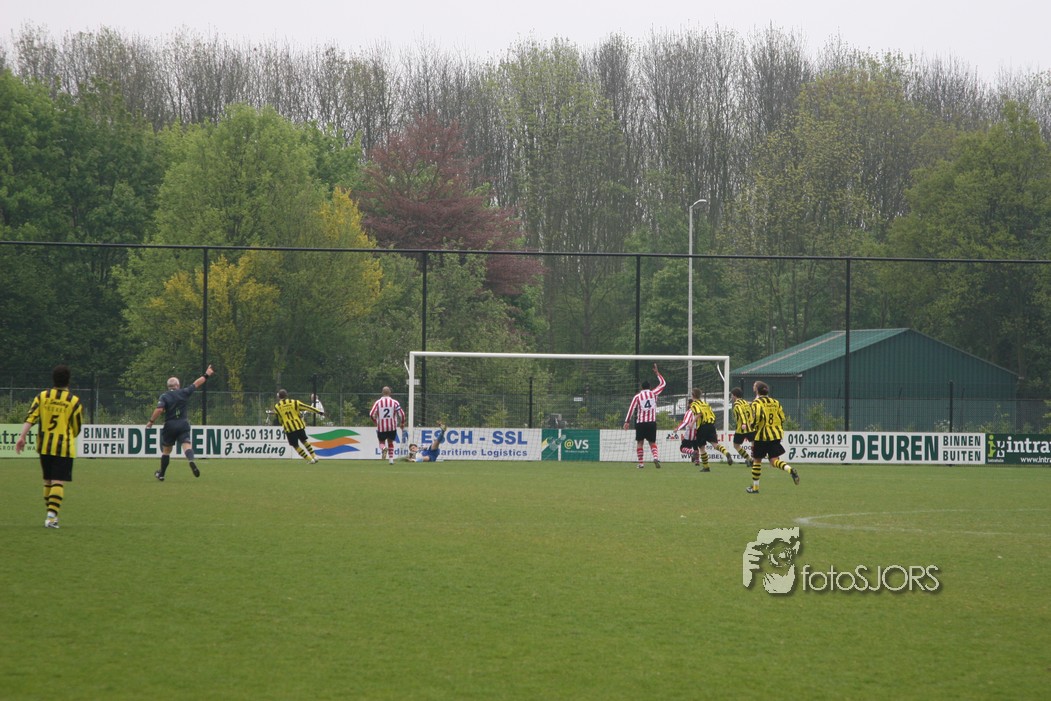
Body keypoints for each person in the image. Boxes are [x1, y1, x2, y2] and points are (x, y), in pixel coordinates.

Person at [15, 364, 83, 529]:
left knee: (48, 481)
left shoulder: (42, 397)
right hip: (63, 447)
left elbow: (30, 417)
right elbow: (77, 428)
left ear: (53, 379)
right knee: (58, 481)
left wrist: (22, 436)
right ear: (68, 380)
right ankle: (51, 518)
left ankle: (51, 516)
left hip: (44, 446)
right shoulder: (74, 401)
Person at [146, 364, 215, 481]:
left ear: (168, 386)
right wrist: (207, 374)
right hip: (183, 424)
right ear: (177, 385)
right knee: (187, 445)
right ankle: (191, 460)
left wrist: (151, 421)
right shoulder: (184, 392)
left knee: (166, 451)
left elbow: (159, 410)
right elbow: (197, 383)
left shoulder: (164, 396)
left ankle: (161, 474)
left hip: (170, 425)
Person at [747, 380, 799, 494]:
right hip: (775, 435)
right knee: (774, 460)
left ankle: (755, 488)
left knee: (757, 461)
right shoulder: (776, 402)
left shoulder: (756, 403)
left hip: (761, 436)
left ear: (757, 391)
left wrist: (752, 425)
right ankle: (790, 469)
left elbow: (758, 415)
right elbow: (782, 417)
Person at [676, 388, 734, 471]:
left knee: (702, 448)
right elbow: (712, 415)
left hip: (702, 427)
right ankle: (726, 453)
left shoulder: (694, 404)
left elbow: (699, 413)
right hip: (711, 425)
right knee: (715, 444)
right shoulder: (705, 403)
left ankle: (706, 467)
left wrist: (692, 422)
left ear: (693, 395)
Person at [623, 363, 666, 469]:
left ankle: (641, 463)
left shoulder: (637, 396)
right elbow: (663, 384)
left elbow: (631, 408)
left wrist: (627, 421)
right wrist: (657, 373)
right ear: (650, 387)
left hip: (641, 423)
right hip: (651, 422)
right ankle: (655, 457)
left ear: (641, 388)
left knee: (640, 442)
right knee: (652, 442)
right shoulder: (654, 393)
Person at [274, 389, 323, 463]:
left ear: (279, 397)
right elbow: (307, 407)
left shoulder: (277, 406)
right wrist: (318, 411)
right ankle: (314, 456)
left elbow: (279, 419)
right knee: (304, 441)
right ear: (286, 395)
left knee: (295, 445)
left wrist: (282, 423)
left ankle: (310, 459)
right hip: (299, 425)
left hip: (289, 428)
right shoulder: (294, 402)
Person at [370, 386, 406, 465]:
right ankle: (391, 460)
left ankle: (383, 448)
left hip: (381, 427)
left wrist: (375, 421)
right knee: (390, 442)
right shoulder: (394, 402)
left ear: (382, 393)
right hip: (392, 426)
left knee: (381, 442)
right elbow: (402, 414)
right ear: (390, 393)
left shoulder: (378, 402)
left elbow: (371, 414)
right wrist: (402, 423)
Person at [729, 387, 755, 463]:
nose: (731, 397)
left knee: (736, 445)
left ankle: (750, 459)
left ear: (734, 395)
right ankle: (754, 459)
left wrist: (743, 423)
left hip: (741, 428)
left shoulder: (737, 404)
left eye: (731, 395)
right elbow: (752, 411)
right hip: (751, 427)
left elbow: (741, 413)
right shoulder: (745, 402)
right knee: (754, 442)